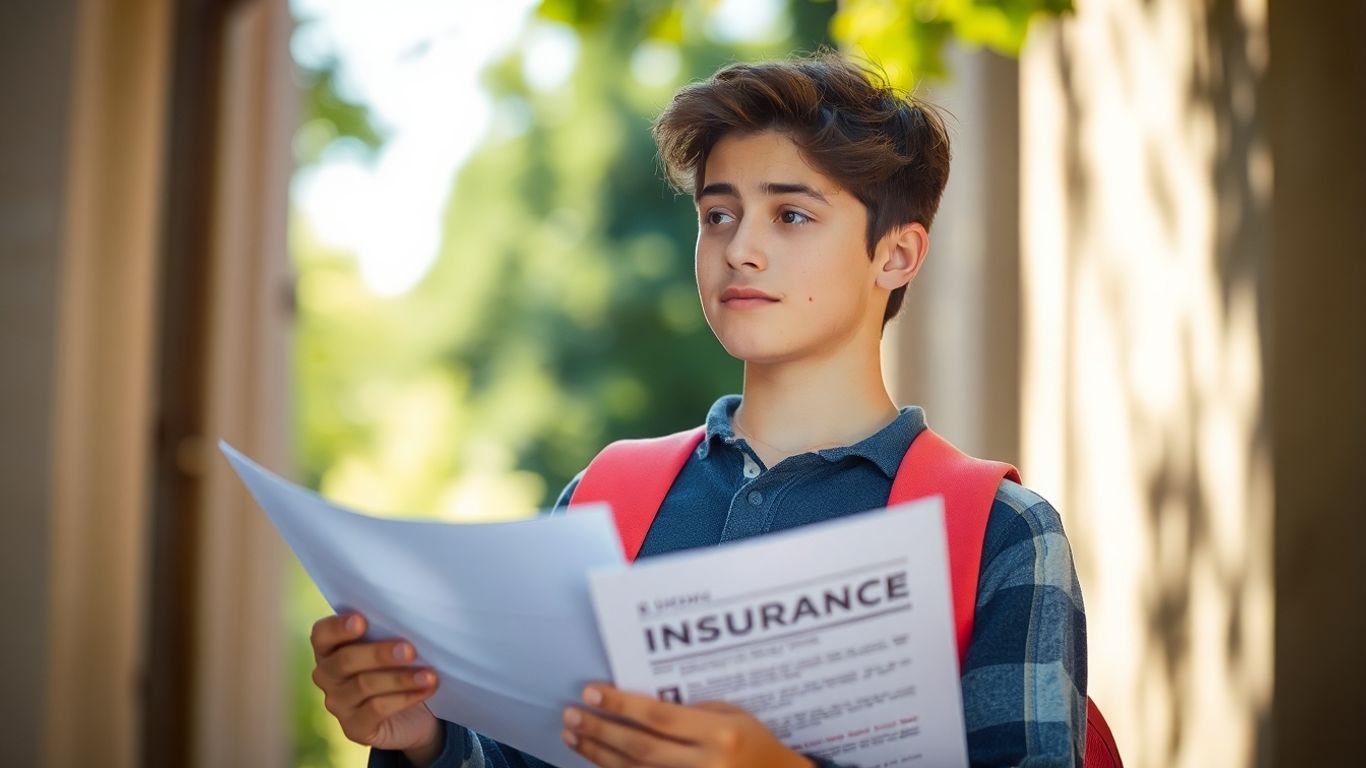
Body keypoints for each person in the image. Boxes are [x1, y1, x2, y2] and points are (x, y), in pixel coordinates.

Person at [307, 51, 1087, 768]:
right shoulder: (601, 501)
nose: (740, 247)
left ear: (897, 254)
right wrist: (424, 738)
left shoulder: (1001, 532)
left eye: (790, 215)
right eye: (718, 214)